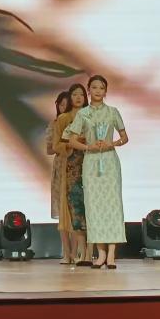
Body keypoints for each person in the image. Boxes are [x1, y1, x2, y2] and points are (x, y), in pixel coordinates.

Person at [63, 75, 129, 269]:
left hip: (109, 162)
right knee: (94, 207)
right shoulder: (83, 114)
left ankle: (112, 254)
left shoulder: (113, 112)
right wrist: (88, 147)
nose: (98, 91)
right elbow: (71, 140)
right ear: (89, 90)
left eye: (101, 88)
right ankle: (100, 254)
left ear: (106, 91)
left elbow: (124, 137)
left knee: (112, 205)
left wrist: (112, 143)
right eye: (94, 87)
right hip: (91, 163)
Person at [56, 83, 92, 265]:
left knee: (92, 208)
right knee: (76, 209)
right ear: (70, 97)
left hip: (91, 164)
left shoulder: (92, 115)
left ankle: (90, 253)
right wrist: (72, 144)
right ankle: (81, 251)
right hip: (72, 167)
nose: (78, 98)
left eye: (81, 94)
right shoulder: (64, 118)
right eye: (75, 94)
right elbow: (56, 145)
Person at [46, 91, 72, 261]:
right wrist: (61, 144)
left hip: (75, 165)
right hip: (60, 166)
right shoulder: (54, 124)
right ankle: (66, 252)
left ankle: (77, 251)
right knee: (62, 212)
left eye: (66, 104)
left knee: (75, 212)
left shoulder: (78, 121)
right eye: (61, 104)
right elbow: (49, 149)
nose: (64, 107)